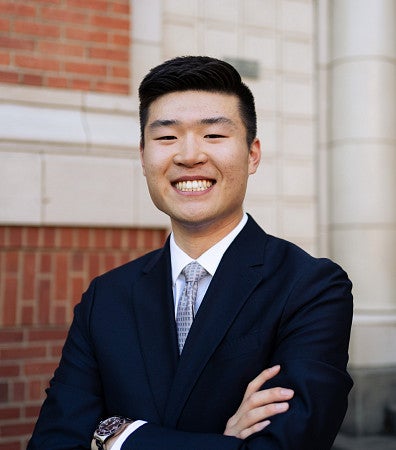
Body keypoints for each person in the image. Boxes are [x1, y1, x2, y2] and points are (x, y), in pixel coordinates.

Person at [27, 56, 353, 450]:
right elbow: (53, 442)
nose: (188, 155)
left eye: (213, 136)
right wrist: (222, 441)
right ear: (144, 155)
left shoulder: (310, 287)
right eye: (167, 138)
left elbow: (286, 446)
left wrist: (116, 436)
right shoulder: (107, 296)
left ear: (252, 154)